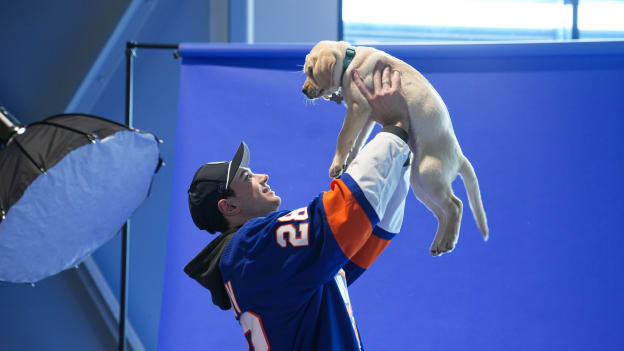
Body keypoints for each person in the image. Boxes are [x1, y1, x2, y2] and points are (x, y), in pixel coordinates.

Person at [184, 63, 412, 351]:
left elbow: (364, 238)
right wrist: (393, 132)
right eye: (246, 176)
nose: (261, 176)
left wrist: (400, 158)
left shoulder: (260, 259)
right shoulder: (252, 245)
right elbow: (342, 217)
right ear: (228, 206)